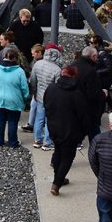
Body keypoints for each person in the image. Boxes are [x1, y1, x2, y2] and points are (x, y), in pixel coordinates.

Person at [44, 65, 86, 195]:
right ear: (74, 76)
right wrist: (83, 132)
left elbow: (46, 105)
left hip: (53, 127)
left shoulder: (51, 88)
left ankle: (59, 178)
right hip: (70, 130)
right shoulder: (77, 93)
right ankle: (57, 183)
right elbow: (82, 115)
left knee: (58, 152)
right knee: (67, 157)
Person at [0, 48, 30, 148]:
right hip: (14, 101)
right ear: (15, 58)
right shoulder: (19, 71)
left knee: (0, 120)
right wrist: (25, 98)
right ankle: (12, 142)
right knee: (13, 122)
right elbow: (24, 88)